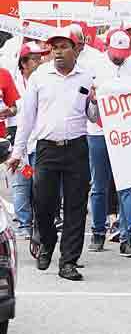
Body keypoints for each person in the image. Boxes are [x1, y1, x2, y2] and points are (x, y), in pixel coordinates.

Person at [7, 27, 93, 281]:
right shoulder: (39, 77)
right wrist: (18, 151)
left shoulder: (87, 77)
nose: (57, 52)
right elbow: (27, 117)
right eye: (54, 47)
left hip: (77, 147)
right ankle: (46, 241)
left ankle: (68, 261)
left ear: (76, 50)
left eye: (63, 47)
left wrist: (97, 101)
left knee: (76, 207)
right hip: (46, 148)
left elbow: (94, 116)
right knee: (43, 202)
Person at [85, 29, 131, 257]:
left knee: (129, 186)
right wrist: (91, 98)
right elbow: (84, 100)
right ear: (107, 48)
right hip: (99, 132)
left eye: (124, 53)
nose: (120, 57)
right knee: (99, 186)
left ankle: (127, 238)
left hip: (127, 133)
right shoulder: (94, 66)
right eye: (116, 53)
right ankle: (98, 233)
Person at [8, 41, 45, 237]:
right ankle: (24, 224)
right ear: (23, 63)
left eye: (41, 58)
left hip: (40, 142)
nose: (39, 62)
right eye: (35, 59)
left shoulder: (45, 79)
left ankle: (40, 222)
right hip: (18, 141)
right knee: (23, 181)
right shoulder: (12, 80)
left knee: (40, 184)